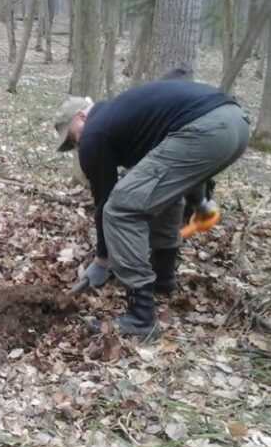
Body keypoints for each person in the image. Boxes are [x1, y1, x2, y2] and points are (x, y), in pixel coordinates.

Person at [53, 78, 249, 339]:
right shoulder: (128, 116)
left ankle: (141, 316)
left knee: (121, 208)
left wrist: (102, 260)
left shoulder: (94, 132)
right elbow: (176, 172)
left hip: (207, 129)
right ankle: (163, 279)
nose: (76, 145)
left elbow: (106, 203)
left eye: (72, 137)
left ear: (81, 116)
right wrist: (199, 202)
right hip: (236, 125)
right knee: (158, 198)